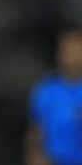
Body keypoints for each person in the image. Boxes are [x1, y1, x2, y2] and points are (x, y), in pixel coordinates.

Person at [25, 28, 82, 165]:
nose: (67, 56)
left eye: (73, 50)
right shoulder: (46, 90)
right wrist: (35, 155)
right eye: (64, 51)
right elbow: (36, 131)